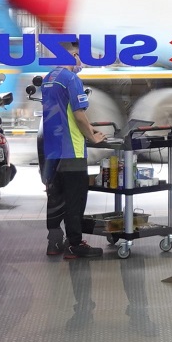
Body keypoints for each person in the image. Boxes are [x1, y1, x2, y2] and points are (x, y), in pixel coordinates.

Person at [38, 65, 108, 259]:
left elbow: (63, 113)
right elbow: (78, 115)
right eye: (79, 56)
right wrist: (92, 137)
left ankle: (54, 243)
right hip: (71, 150)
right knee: (74, 200)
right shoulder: (71, 79)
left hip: (52, 150)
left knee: (55, 198)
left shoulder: (49, 78)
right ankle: (74, 245)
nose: (81, 63)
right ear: (74, 54)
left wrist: (90, 128)